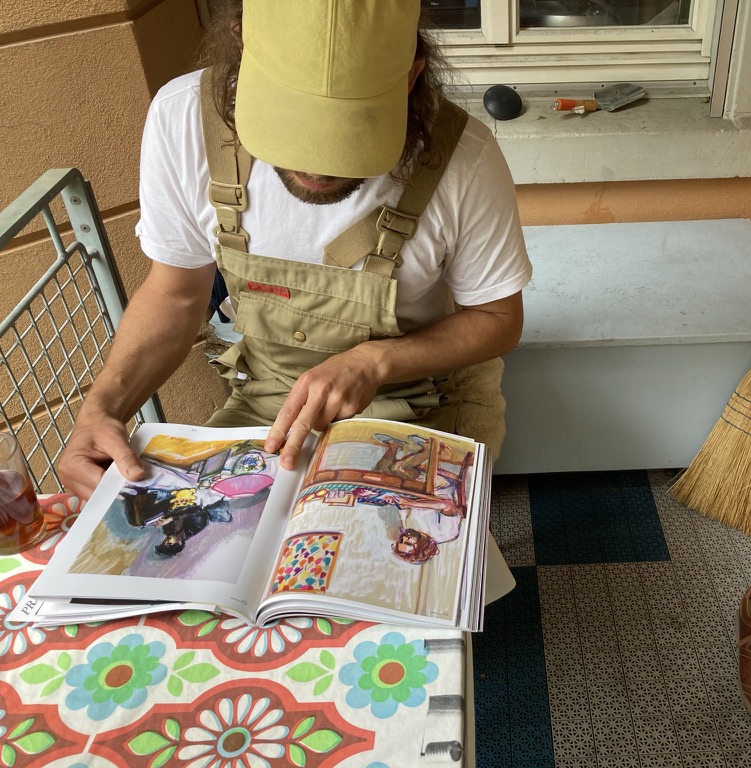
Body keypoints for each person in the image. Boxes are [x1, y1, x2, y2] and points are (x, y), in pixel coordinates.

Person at [58, 0, 532, 501]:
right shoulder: (183, 121)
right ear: (242, 46)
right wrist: (102, 409)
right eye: (294, 126)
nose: (317, 169)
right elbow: (176, 295)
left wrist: (374, 362)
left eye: (348, 134)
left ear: (412, 76)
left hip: (423, 397)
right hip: (269, 396)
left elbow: (498, 318)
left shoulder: (464, 156)